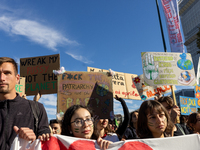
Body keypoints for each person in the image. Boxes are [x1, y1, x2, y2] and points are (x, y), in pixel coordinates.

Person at [0, 57, 50, 150]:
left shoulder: (37, 108)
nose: (2, 78)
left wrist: (34, 140)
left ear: (17, 78)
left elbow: (46, 143)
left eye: (7, 73)